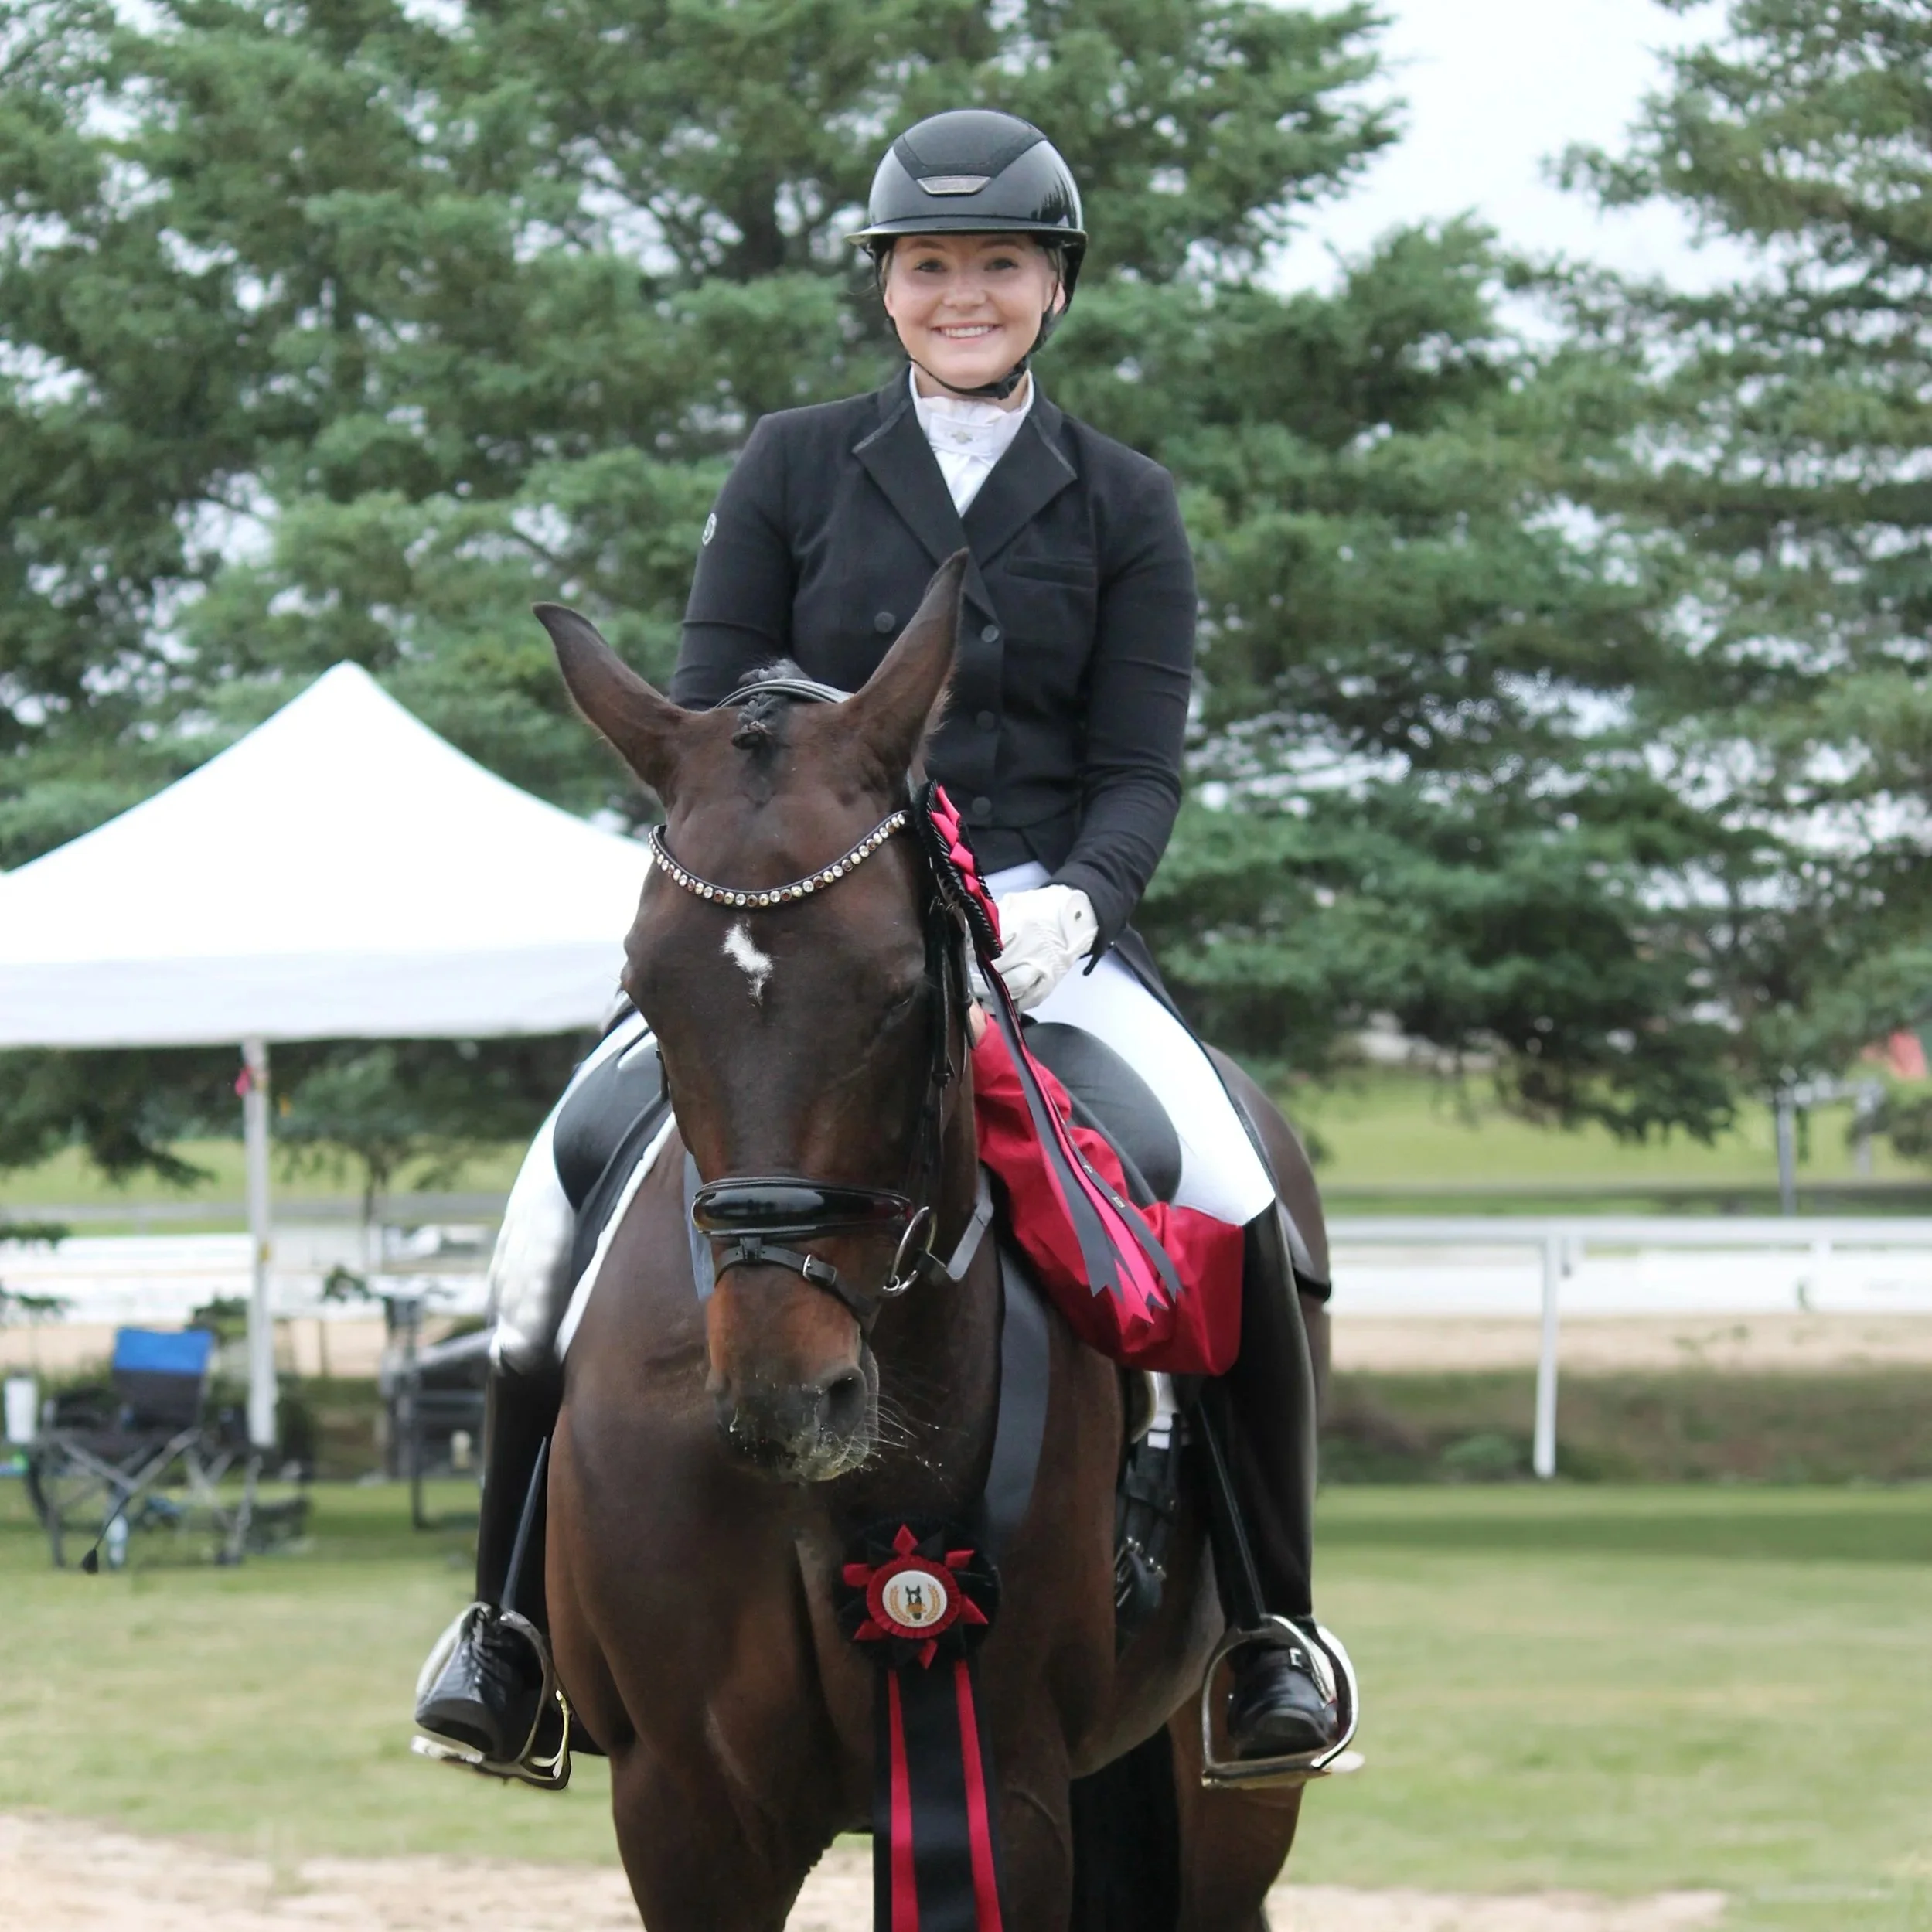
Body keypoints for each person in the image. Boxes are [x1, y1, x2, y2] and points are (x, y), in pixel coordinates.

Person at [415, 106, 1346, 1782]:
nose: (963, 293)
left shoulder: (1125, 501)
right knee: (548, 1197)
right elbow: (715, 720)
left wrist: (1075, 905)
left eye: (998, 264)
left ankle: (1272, 1631)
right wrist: (794, 855)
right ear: (889, 289)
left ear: (1052, 285)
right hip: (807, 936)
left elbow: (1138, 768)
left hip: (1046, 938)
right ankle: (506, 1630)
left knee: (1230, 1181)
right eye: (931, 266)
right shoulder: (791, 464)